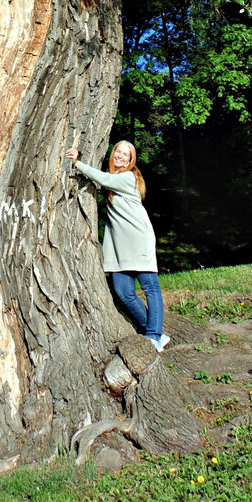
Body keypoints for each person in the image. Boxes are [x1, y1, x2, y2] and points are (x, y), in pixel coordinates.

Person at [65, 141, 170, 351]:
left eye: (126, 154)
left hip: (139, 239)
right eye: (118, 152)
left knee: (150, 287)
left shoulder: (128, 177)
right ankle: (155, 330)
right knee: (123, 291)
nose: (120, 156)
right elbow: (103, 179)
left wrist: (77, 163)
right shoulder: (113, 180)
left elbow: (103, 178)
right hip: (119, 247)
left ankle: (153, 335)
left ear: (131, 161)